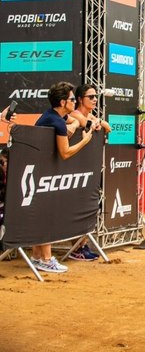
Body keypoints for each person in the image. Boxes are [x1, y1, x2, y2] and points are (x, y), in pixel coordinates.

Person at [32, 82, 94, 273]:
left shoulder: (54, 116)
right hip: (39, 175)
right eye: (72, 99)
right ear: (62, 101)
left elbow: (75, 121)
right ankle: (46, 259)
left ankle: (37, 257)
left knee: (43, 214)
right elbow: (65, 152)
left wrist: (74, 125)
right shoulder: (56, 121)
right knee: (46, 215)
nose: (75, 102)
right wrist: (84, 141)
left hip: (38, 172)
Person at [68, 84, 112, 261]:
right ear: (80, 99)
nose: (94, 99)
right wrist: (94, 123)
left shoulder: (90, 114)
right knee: (75, 206)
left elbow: (107, 126)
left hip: (87, 167)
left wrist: (97, 122)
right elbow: (82, 122)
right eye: (90, 97)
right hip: (72, 167)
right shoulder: (75, 114)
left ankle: (83, 244)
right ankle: (76, 247)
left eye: (95, 96)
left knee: (87, 205)